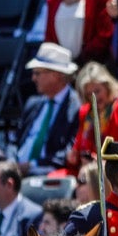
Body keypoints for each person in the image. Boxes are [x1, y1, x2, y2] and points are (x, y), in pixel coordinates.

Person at [15, 42, 82, 175]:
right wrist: (11, 161)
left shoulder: (76, 108)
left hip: (46, 172)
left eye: (38, 73)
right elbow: (14, 140)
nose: (33, 78)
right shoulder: (33, 103)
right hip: (16, 169)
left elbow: (68, 152)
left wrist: (32, 165)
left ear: (56, 75)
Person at [67, 61, 118, 174]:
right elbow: (78, 147)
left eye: (97, 91)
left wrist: (103, 162)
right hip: (87, 172)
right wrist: (74, 156)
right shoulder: (85, 112)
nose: (95, 97)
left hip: (116, 173)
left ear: (108, 86)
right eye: (89, 94)